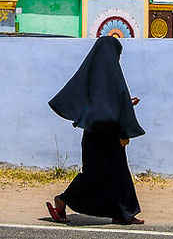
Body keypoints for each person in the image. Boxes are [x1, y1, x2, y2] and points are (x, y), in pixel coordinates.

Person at [46, 36, 144, 225]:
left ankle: (122, 213)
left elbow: (104, 102)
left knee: (118, 172)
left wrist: (126, 105)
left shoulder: (92, 74)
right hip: (104, 134)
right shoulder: (112, 75)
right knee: (95, 174)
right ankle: (62, 200)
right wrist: (124, 120)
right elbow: (111, 103)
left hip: (98, 132)